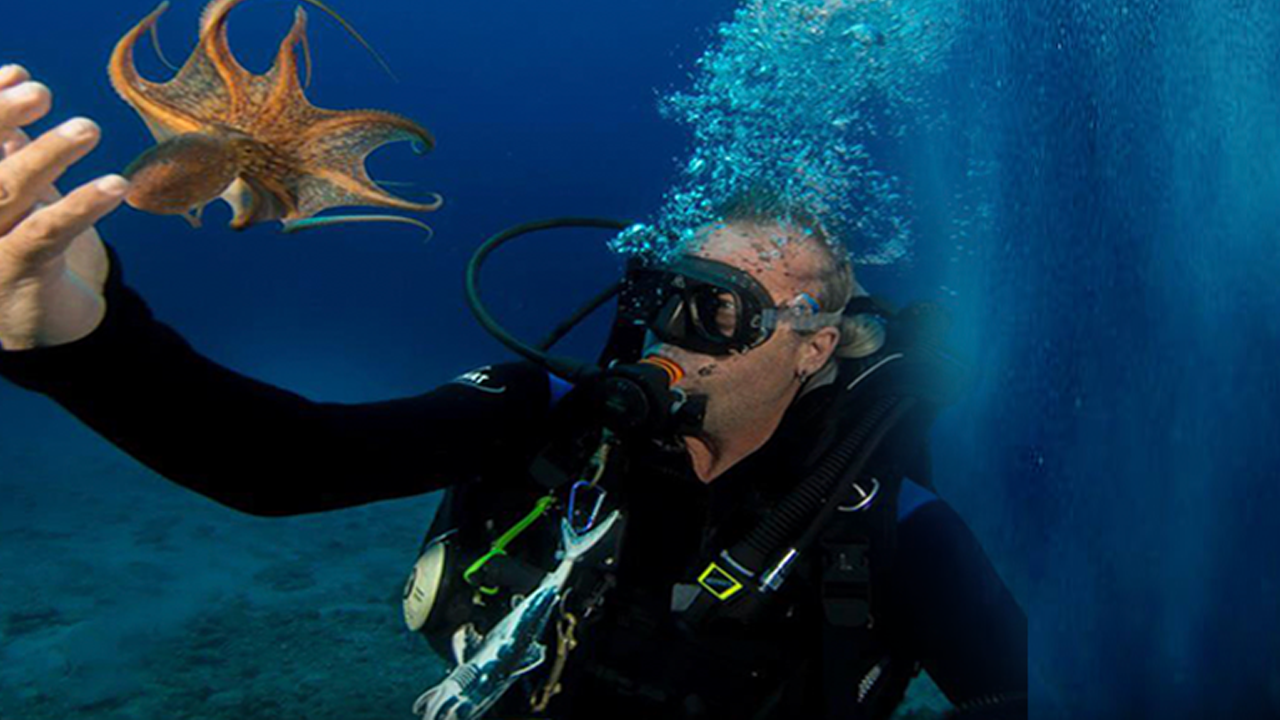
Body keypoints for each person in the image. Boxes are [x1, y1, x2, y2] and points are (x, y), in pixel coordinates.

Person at [0, 65, 1027, 720]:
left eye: (717, 312)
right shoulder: (536, 422)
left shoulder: (889, 536)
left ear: (811, 350)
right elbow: (281, 464)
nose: (673, 335)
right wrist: (79, 338)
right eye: (664, 295)